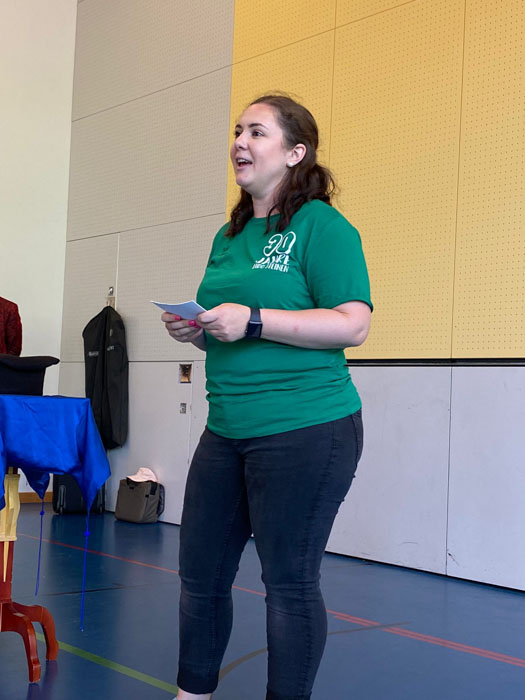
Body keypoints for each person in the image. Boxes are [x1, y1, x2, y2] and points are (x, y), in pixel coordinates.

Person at [162, 94, 372, 700]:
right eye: (237, 131)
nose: (240, 142)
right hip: (227, 428)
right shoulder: (229, 235)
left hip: (307, 428)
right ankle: (192, 693)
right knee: (200, 576)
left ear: (295, 152)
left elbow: (352, 324)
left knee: (288, 584)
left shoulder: (324, 227)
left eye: (257, 132)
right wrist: (198, 330)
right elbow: (227, 327)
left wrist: (252, 319)